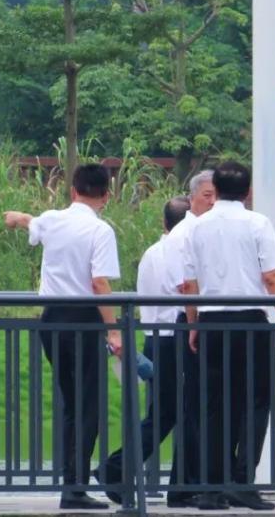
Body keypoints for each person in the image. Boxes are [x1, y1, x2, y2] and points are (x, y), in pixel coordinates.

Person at [4, 164, 122, 510]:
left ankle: (72, 483)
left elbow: (31, 223)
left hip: (52, 319)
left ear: (73, 191)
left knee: (72, 402)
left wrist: (17, 218)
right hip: (84, 321)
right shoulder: (100, 230)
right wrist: (114, 330)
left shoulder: (52, 219)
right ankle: (75, 486)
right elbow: (100, 283)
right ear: (106, 196)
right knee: (89, 406)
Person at [183, 161, 275, 511]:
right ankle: (242, 481)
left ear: (215, 189)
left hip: (212, 323)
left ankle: (212, 487)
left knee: (214, 406)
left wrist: (193, 325)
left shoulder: (197, 227)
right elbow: (272, 277)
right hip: (250, 322)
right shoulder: (257, 223)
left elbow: (189, 284)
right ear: (248, 192)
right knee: (255, 402)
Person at [95, 196, 191, 505]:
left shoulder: (152, 252)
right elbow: (184, 292)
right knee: (172, 413)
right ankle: (118, 468)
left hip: (154, 337)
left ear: (164, 222)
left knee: (165, 413)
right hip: (173, 338)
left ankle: (122, 469)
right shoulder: (179, 252)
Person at [164, 170, 216, 508]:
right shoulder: (187, 233)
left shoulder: (205, 230)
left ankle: (188, 484)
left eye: (216, 196)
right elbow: (186, 286)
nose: (212, 202)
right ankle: (187, 484)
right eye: (207, 196)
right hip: (191, 321)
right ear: (192, 197)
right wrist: (195, 324)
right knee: (196, 407)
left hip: (197, 319)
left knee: (199, 406)